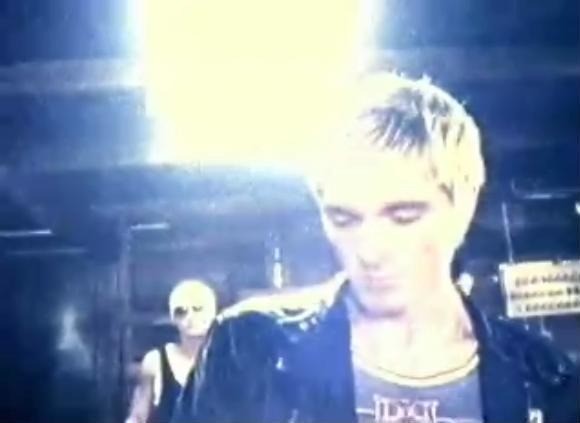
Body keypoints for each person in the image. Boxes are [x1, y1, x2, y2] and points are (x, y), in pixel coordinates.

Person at [172, 74, 580, 423]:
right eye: (344, 219)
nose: (369, 250)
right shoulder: (249, 349)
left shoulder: (546, 380)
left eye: (403, 217)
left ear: (464, 205)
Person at [126, 280, 217, 423]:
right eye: (181, 312)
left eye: (198, 308)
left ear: (212, 312)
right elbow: (138, 416)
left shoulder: (228, 361)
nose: (190, 317)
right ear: (173, 318)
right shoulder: (156, 361)